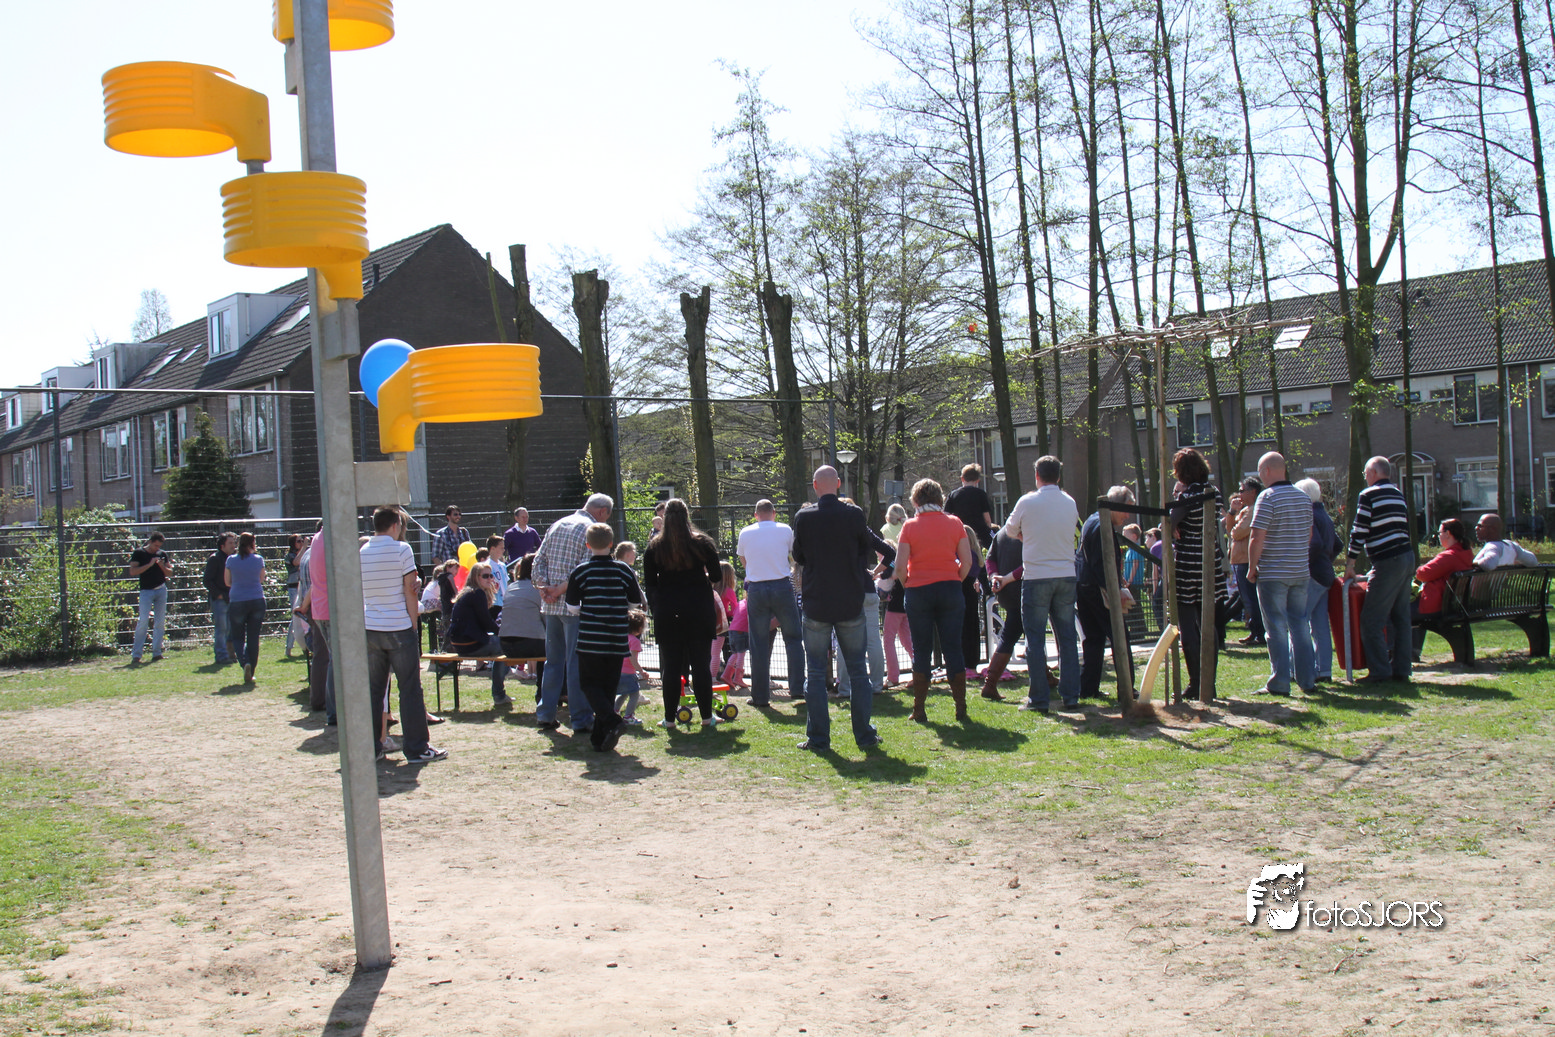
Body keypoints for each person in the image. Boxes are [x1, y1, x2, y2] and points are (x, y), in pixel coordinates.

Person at [792, 466, 883, 750]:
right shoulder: (854, 514)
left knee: (815, 672)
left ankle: (818, 738)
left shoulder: (804, 517)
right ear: (839, 484)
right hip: (848, 601)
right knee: (858, 671)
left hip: (817, 602)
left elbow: (798, 555)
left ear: (815, 485)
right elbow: (865, 549)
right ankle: (864, 735)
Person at [361, 506, 445, 763]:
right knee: (409, 689)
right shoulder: (402, 549)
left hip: (370, 627)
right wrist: (412, 625)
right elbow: (410, 590)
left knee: (374, 690)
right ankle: (417, 748)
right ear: (396, 525)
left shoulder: (362, 552)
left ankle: (372, 747)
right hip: (398, 627)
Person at [1001, 455, 1081, 713]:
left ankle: (1038, 698)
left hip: (1036, 575)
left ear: (1037, 476)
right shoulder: (1070, 502)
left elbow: (1009, 530)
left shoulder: (1027, 501)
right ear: (1059, 476)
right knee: (1067, 637)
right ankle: (1071, 695)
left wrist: (1026, 536)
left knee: (1035, 639)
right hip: (1065, 573)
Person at [532, 493, 614, 732]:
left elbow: (538, 561)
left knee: (553, 662)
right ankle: (580, 718)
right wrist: (559, 589)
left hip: (550, 606)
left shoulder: (558, 524)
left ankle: (546, 713)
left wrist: (544, 588)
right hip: (574, 608)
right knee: (577, 663)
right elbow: (585, 569)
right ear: (602, 512)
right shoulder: (591, 530)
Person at [897, 478, 976, 722]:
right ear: (940, 498)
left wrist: (908, 583)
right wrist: (955, 579)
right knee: (953, 647)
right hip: (950, 588)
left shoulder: (909, 526)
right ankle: (960, 707)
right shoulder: (955, 523)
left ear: (915, 500)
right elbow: (967, 562)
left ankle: (919, 709)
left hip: (918, 591)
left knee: (921, 649)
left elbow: (899, 567)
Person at [642, 499, 722, 729]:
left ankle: (669, 718)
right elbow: (716, 575)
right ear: (687, 516)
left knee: (671, 667)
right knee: (701, 665)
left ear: (665, 518)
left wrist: (658, 605)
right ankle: (707, 717)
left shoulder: (654, 547)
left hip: (668, 610)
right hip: (698, 609)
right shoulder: (702, 543)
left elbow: (650, 584)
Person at [564, 522, 644, 752]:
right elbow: (634, 601)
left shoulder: (581, 571)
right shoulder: (623, 570)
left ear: (587, 545)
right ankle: (600, 739)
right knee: (608, 688)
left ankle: (612, 721)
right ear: (611, 544)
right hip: (617, 638)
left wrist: (588, 610)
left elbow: (572, 606)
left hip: (590, 639)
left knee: (589, 684)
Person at [1247, 452, 1315, 698]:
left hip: (1273, 572)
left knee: (1275, 628)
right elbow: (1309, 534)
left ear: (1266, 471)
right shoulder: (1303, 497)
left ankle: (1280, 681)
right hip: (1300, 571)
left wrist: (1252, 567)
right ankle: (1307, 679)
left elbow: (1257, 536)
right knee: (1300, 625)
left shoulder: (1267, 497)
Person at [1344, 456, 1413, 685]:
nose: (1365, 477)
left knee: (1371, 619)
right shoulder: (1398, 493)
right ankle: (1402, 669)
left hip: (1387, 560)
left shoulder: (1369, 495)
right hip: (1406, 556)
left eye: (1365, 473)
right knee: (1401, 616)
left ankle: (1380, 671)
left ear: (1373, 473)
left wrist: (1350, 564)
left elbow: (1359, 530)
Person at [1170, 450, 1229, 701]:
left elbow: (1169, 524)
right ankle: (1209, 683)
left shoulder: (1187, 497)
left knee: (1188, 625)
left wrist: (1173, 527)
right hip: (1209, 559)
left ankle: (1196, 682)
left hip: (1188, 562)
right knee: (1208, 624)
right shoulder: (1214, 493)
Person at [737, 499, 804, 708]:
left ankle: (760, 696)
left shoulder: (745, 533)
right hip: (782, 585)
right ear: (774, 513)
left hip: (756, 588)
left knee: (758, 643)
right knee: (793, 638)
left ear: (755, 515)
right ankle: (797, 688)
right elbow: (794, 555)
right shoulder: (785, 530)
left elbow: (744, 561)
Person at [1076, 486, 1138, 701]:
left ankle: (1088, 688)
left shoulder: (1092, 520)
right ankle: (1127, 688)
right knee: (1120, 636)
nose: (1128, 516)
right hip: (1097, 589)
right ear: (1115, 505)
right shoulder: (1101, 525)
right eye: (1126, 510)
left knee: (1093, 638)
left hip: (1084, 586)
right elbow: (1101, 564)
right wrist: (1116, 590)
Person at [836, 500, 896, 704]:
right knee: (872, 640)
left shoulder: (834, 532)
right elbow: (890, 553)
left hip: (845, 591)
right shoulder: (864, 531)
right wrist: (874, 572)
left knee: (844, 641)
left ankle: (845, 688)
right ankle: (877, 684)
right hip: (866, 589)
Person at [446, 560, 510, 708]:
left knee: (500, 645)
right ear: (476, 577)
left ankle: (500, 691)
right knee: (506, 646)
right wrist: (503, 634)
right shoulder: (477, 593)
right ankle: (499, 695)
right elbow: (486, 622)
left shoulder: (468, 592)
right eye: (485, 576)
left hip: (458, 643)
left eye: (491, 575)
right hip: (469, 643)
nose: (490, 579)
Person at [1412, 517, 1475, 658]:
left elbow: (1422, 574)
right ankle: (1412, 652)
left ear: (1448, 533)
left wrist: (1421, 568)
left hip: (1436, 606)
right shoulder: (1466, 553)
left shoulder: (1449, 556)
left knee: (1397, 610)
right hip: (1455, 606)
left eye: (1439, 533)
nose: (1438, 536)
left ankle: (1395, 652)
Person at [1297, 478, 1339, 683]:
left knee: (1299, 620)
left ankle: (1301, 669)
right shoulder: (1324, 515)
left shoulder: (1310, 515)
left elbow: (1313, 544)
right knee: (1320, 624)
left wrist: (1303, 563)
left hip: (1313, 574)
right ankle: (1324, 670)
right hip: (1325, 574)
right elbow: (1338, 544)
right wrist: (1326, 560)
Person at [981, 526, 1025, 700]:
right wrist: (1005, 578)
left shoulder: (1002, 533)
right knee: (1011, 635)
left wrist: (994, 577)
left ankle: (1045, 675)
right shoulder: (1029, 530)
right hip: (1022, 591)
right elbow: (1032, 562)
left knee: (1027, 633)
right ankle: (990, 683)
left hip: (1005, 591)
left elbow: (990, 559)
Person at [1226, 476, 1267, 646]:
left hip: (1246, 560)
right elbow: (1230, 529)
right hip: (1239, 559)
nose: (1239, 494)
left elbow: (1237, 533)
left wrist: (1234, 526)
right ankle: (1254, 630)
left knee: (1251, 598)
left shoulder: (1253, 510)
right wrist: (1232, 512)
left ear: (1253, 492)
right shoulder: (1245, 510)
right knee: (1246, 597)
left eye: (1242, 491)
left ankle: (1260, 633)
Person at [500, 553, 547, 691]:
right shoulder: (538, 589)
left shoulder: (511, 587)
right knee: (558, 648)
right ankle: (547, 692)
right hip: (530, 644)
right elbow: (547, 621)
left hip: (506, 645)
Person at [224, 531, 267, 685]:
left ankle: (244, 662)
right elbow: (261, 579)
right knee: (253, 637)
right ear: (252, 543)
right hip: (257, 599)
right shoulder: (258, 559)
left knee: (237, 637)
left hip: (237, 600)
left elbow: (227, 582)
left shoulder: (231, 560)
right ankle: (252, 671)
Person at [128, 531, 172, 664]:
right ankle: (137, 655)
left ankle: (157, 653)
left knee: (160, 622)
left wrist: (161, 566)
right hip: (146, 591)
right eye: (155, 545)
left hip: (161, 590)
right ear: (150, 542)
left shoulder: (162, 554)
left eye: (159, 546)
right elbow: (133, 571)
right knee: (143, 621)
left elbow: (170, 572)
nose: (157, 548)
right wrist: (149, 564)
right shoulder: (139, 553)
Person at [203, 533, 237, 666]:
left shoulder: (233, 559)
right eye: (230, 543)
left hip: (231, 598)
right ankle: (221, 656)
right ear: (222, 545)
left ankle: (230, 654)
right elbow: (207, 580)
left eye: (234, 543)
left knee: (231, 629)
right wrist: (219, 595)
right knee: (222, 629)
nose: (234, 546)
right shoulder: (215, 559)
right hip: (220, 600)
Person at [945, 463, 996, 550]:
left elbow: (946, 515)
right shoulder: (981, 494)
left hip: (960, 532)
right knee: (994, 545)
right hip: (980, 533)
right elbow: (987, 519)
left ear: (962, 478)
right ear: (977, 480)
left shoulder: (953, 494)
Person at [878, 561, 912, 689]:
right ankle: (921, 671)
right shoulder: (909, 560)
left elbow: (893, 575)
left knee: (888, 641)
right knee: (907, 641)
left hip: (895, 607)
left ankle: (892, 677)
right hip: (906, 605)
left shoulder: (897, 561)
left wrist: (877, 575)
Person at [617, 610, 650, 726]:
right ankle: (628, 716)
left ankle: (614, 711)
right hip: (628, 673)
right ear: (639, 628)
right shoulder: (635, 641)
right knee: (635, 694)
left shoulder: (622, 638)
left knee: (624, 693)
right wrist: (641, 671)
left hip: (619, 671)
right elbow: (632, 659)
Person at [1472, 513, 1537, 570]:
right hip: (1502, 580)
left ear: (1493, 529)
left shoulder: (1492, 546)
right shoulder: (1512, 546)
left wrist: (1472, 563)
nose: (1476, 528)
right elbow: (1533, 562)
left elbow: (1489, 565)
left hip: (1485, 581)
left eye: (1480, 526)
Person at [710, 560, 738, 684]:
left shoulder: (711, 589)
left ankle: (709, 675)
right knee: (719, 653)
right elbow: (735, 609)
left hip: (710, 621)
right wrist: (729, 613)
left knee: (710, 652)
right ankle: (715, 677)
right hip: (722, 624)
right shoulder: (728, 591)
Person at [283, 534, 307, 657]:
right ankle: (289, 647)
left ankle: (305, 647)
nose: (301, 543)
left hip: (303, 586)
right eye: (299, 541)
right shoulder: (290, 556)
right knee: (295, 617)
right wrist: (305, 547)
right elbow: (296, 562)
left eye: (302, 541)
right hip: (293, 588)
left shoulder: (305, 553)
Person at [721, 592, 750, 690]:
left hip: (732, 630)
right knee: (741, 653)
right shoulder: (751, 604)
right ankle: (738, 677)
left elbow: (734, 613)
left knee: (735, 653)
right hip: (742, 631)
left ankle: (726, 674)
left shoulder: (741, 602)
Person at [485, 535, 508, 599]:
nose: (504, 550)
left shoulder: (503, 565)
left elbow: (506, 583)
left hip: (504, 601)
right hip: (494, 601)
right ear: (493, 548)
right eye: (501, 548)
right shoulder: (486, 566)